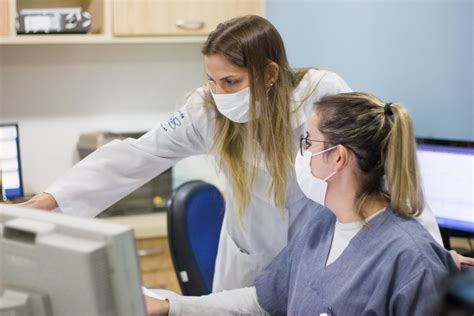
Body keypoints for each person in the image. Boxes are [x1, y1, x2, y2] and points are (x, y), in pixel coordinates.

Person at [23, 15, 444, 292]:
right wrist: (52, 200)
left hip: (315, 250)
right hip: (245, 256)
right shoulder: (205, 111)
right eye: (212, 80)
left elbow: (383, 167)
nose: (218, 93)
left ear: (270, 73)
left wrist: (429, 250)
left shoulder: (321, 95)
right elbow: (137, 155)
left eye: (231, 81)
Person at [146, 92, 458, 315]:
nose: (302, 152)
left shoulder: (410, 261)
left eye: (308, 141)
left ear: (337, 157)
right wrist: (172, 306)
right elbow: (263, 302)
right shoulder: (323, 224)